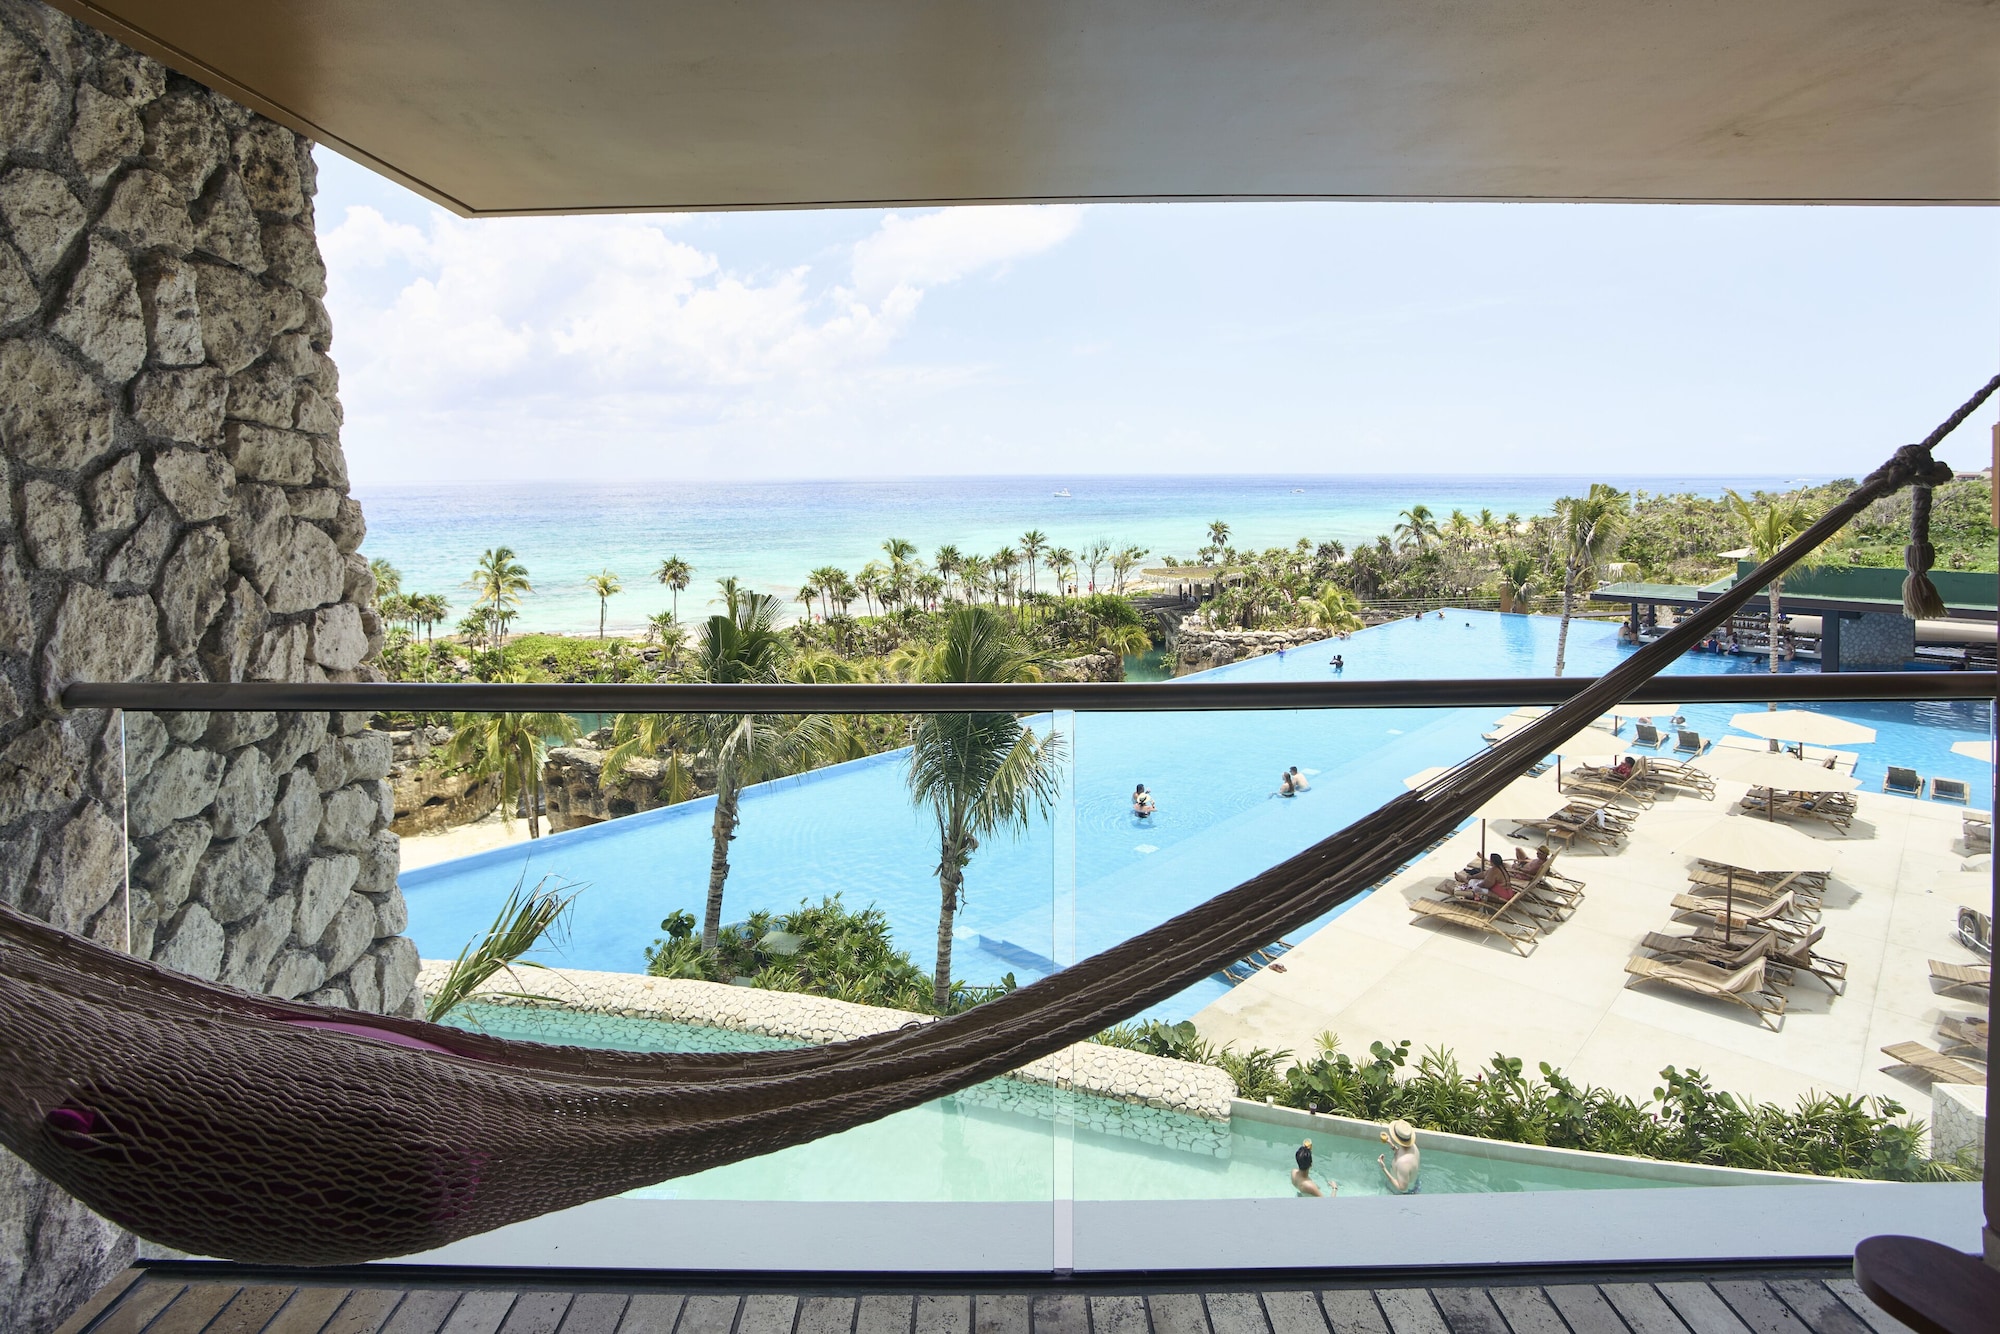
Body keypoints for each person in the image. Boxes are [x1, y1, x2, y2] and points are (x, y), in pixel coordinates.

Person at [1379, 1120, 1421, 1194]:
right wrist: (1392, 1145)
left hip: (1405, 1193)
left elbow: (1402, 1188)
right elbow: (1403, 1154)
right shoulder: (1413, 1147)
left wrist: (1384, 1168)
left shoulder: (1403, 1163)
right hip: (1414, 1184)